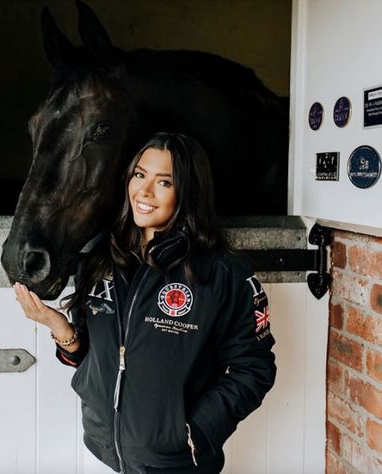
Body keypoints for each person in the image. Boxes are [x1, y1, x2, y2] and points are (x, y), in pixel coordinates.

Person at [14, 132, 276, 474]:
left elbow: (254, 370)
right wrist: (61, 329)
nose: (144, 191)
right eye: (139, 175)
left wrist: (192, 432)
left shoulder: (223, 274)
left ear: (188, 191)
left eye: (164, 182)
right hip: (106, 449)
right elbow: (92, 356)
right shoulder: (101, 259)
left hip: (176, 462)